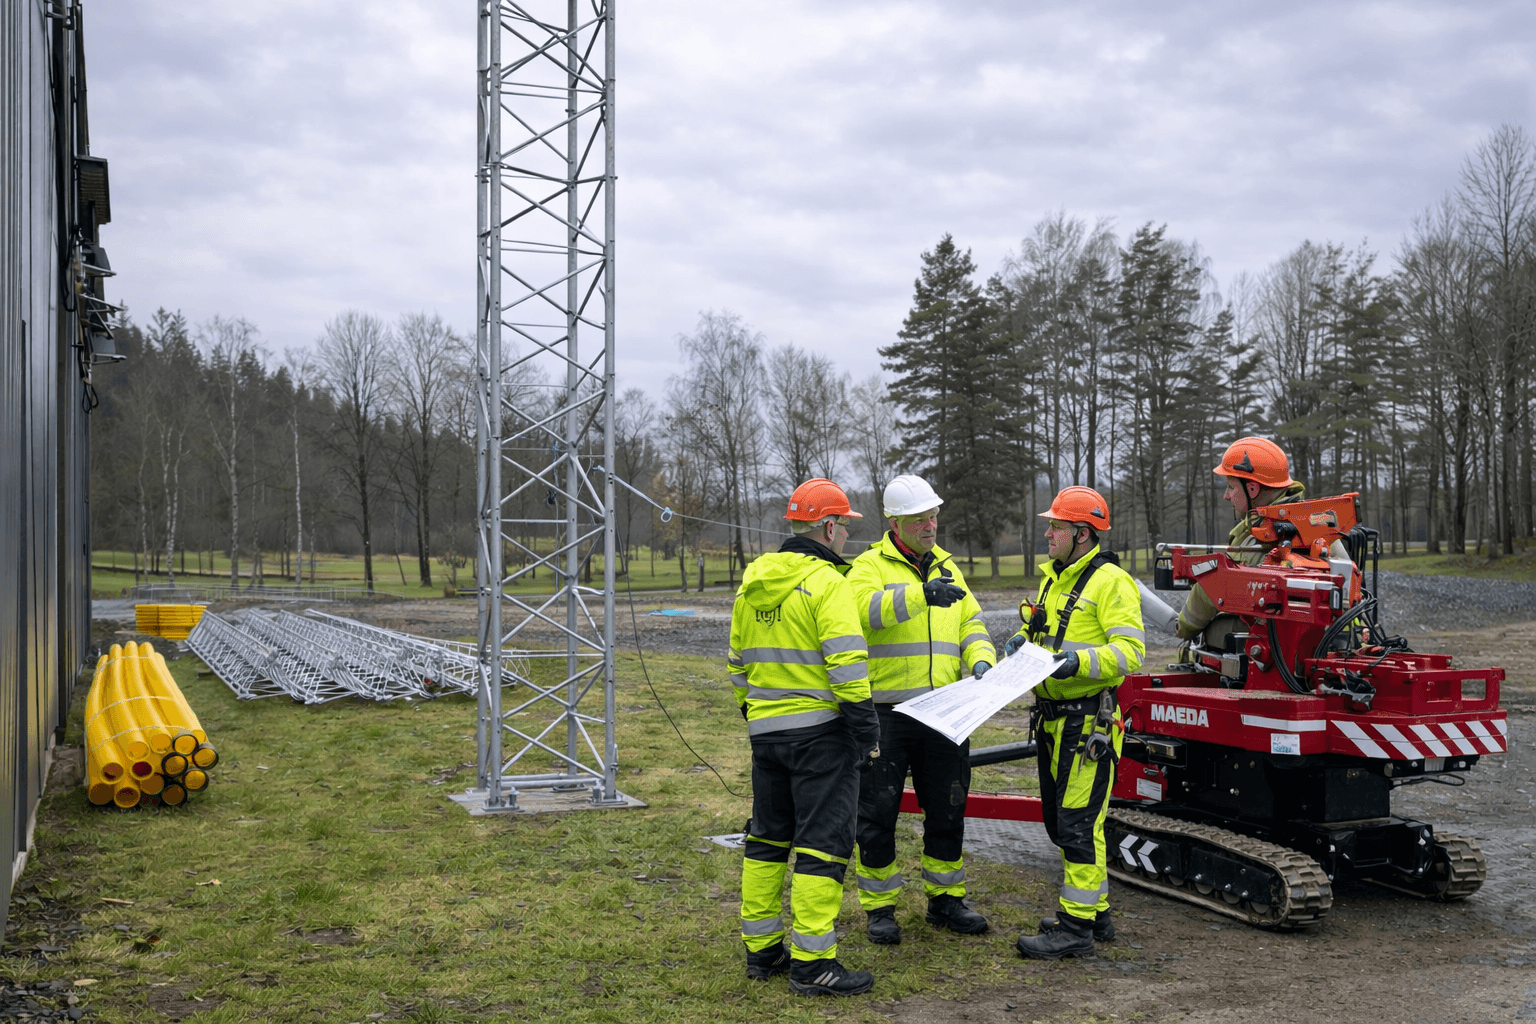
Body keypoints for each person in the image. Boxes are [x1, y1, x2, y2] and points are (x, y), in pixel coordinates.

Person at [730, 477, 883, 997]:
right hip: (821, 736)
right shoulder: (828, 582)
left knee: (768, 838)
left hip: (765, 737)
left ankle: (762, 950)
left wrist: (757, 714)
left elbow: (736, 665)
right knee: (823, 845)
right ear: (830, 526)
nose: (845, 539)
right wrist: (865, 731)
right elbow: (847, 663)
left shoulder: (752, 584)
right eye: (844, 528)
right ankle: (813, 963)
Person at [846, 474, 996, 946]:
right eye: (920, 519)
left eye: (934, 516)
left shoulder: (948, 565)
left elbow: (970, 620)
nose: (931, 525)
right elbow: (858, 614)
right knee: (877, 812)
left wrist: (981, 658)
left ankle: (945, 900)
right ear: (896, 523)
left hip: (946, 711)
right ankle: (880, 908)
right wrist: (920, 594)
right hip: (887, 714)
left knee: (948, 807)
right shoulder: (868, 566)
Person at [1006, 486, 1144, 960]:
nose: (1047, 533)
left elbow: (1131, 653)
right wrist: (1017, 646)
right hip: (1052, 721)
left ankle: (1074, 929)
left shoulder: (1112, 583)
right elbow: (1037, 629)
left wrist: (1075, 662)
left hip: (1089, 723)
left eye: (1056, 527)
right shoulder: (1054, 580)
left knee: (1077, 824)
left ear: (1081, 534)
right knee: (1065, 821)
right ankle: (1096, 913)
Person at [1176, 436, 1343, 649]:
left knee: (1208, 634)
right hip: (1329, 642)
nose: (1227, 496)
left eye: (1231, 487)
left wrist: (1183, 628)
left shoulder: (1260, 539)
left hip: (1275, 652)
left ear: (1252, 489)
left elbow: (1209, 590)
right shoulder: (1317, 524)